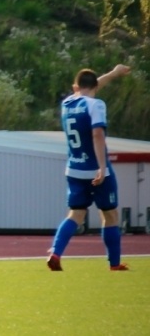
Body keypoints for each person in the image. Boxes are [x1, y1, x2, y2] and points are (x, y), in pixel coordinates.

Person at [48, 64, 132, 272]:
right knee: (110, 214)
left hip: (74, 168)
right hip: (96, 168)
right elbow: (97, 134)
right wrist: (102, 167)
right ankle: (114, 263)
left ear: (76, 87)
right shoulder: (96, 105)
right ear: (95, 86)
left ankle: (55, 252)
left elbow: (91, 87)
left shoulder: (67, 104)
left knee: (76, 214)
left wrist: (113, 73)